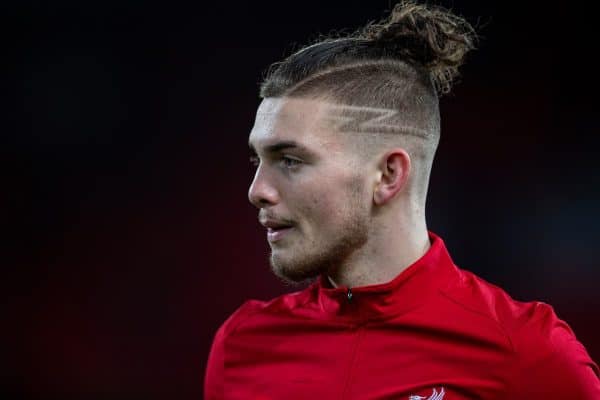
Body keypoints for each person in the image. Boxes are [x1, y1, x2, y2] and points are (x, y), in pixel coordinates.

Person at [204, 1, 600, 398]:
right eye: (259, 159)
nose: (257, 191)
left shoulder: (527, 354)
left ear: (388, 175)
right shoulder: (241, 348)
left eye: (290, 160)